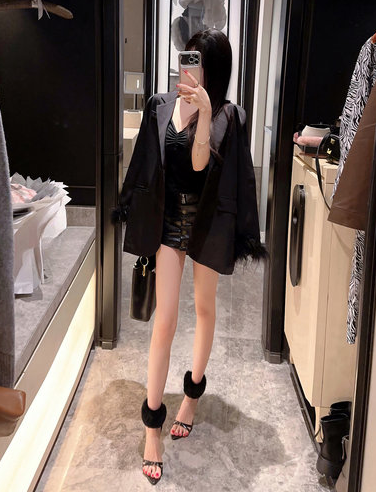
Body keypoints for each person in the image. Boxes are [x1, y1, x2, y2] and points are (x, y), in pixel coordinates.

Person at [111, 28, 266, 485]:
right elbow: (145, 165)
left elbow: (201, 165)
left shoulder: (227, 115)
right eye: (187, 58)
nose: (189, 68)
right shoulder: (160, 105)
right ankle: (152, 426)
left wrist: (204, 112)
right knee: (165, 320)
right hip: (167, 223)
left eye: (199, 62)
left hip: (207, 226)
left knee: (204, 308)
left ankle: (192, 396)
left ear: (214, 71)